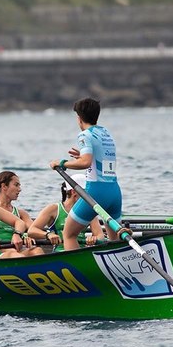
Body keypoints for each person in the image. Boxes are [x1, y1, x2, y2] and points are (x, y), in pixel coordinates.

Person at [49, 97, 122, 250]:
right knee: (115, 241)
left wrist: (61, 163)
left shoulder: (84, 135)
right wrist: (82, 156)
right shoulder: (105, 133)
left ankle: (75, 272)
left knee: (68, 234)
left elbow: (85, 163)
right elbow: (96, 158)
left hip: (96, 192)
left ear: (79, 118)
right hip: (114, 192)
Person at [28, 174, 105, 250]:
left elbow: (100, 236)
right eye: (86, 193)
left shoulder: (88, 210)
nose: (89, 197)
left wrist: (94, 238)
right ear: (74, 192)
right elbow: (32, 231)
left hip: (81, 251)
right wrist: (48, 235)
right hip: (60, 252)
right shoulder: (54, 209)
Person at [0, 171, 43, 256]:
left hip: (15, 250)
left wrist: (26, 235)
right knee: (13, 254)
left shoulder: (21, 214)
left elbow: (34, 230)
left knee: (37, 251)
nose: (19, 189)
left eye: (19, 186)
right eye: (16, 185)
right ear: (4, 186)